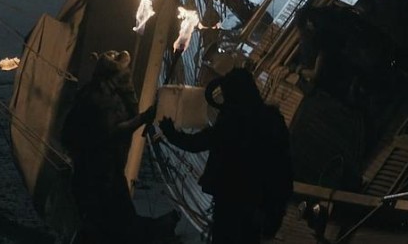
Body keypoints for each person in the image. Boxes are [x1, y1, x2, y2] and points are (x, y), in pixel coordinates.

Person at [159, 68, 292, 244]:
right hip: (257, 204)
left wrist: (171, 133)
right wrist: (275, 211)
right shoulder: (272, 120)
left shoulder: (233, 122)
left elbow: (197, 143)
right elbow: (284, 167)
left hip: (230, 201)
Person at [61, 50, 167, 243]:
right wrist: (143, 118)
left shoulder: (98, 92)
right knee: (108, 221)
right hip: (99, 173)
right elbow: (114, 131)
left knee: (109, 219)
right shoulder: (101, 98)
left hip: (101, 171)